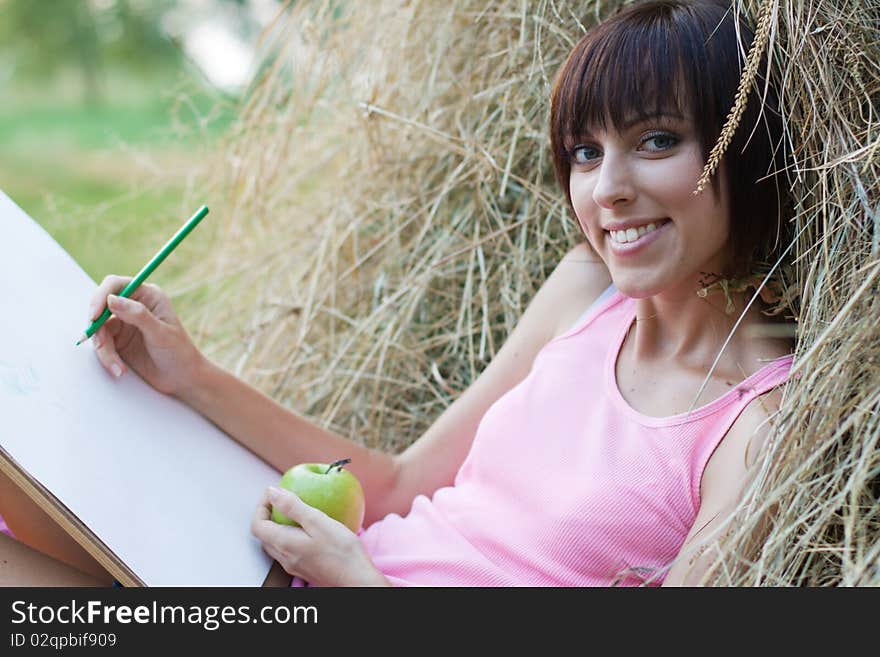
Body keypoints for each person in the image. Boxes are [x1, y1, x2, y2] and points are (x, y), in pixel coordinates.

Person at [0, 0, 796, 587]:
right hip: (300, 573)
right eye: (585, 152)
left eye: (657, 140)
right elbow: (398, 486)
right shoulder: (587, 293)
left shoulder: (754, 420)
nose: (608, 190)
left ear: (744, 146)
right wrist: (190, 373)